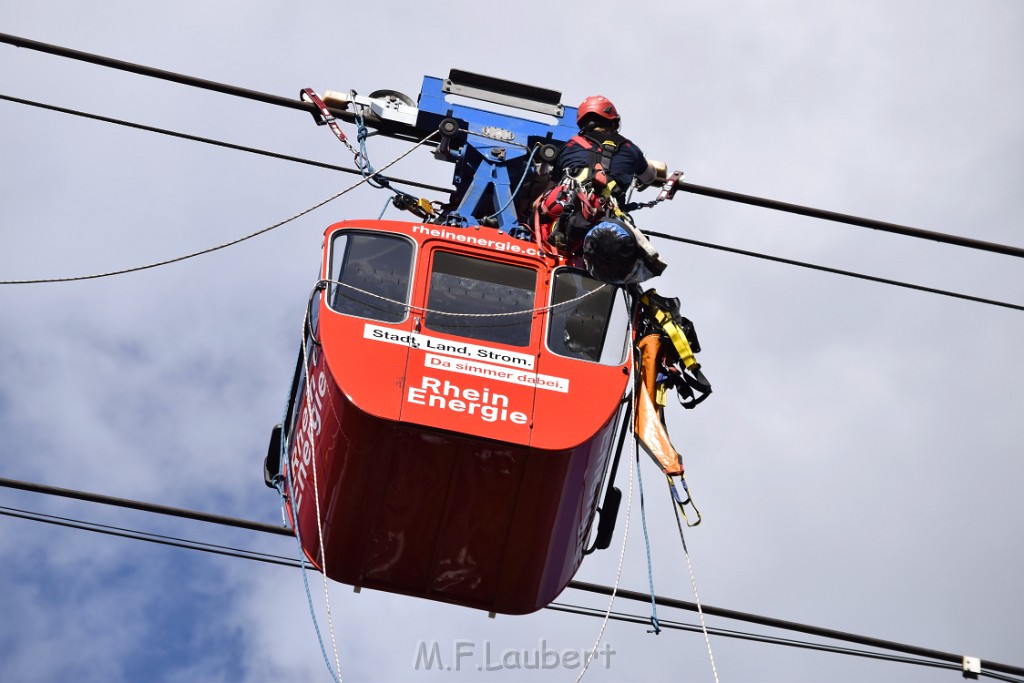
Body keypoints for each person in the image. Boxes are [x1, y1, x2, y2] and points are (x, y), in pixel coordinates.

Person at [535, 95, 667, 283]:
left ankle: (558, 232)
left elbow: (553, 182)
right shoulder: (630, 148)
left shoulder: (570, 145)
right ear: (613, 122)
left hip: (562, 204)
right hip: (602, 215)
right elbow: (649, 176)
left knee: (536, 208)